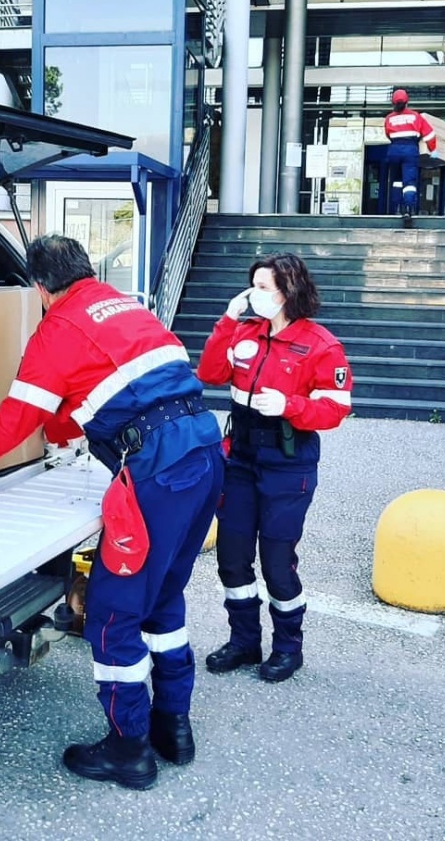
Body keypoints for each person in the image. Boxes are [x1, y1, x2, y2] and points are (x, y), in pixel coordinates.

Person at [0, 234, 223, 791]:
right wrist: (58, 426)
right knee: (164, 596)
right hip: (203, 454)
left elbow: (12, 422)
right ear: (86, 270)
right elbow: (101, 395)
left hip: (158, 472)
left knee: (114, 612)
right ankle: (174, 728)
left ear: (41, 289)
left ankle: (129, 751)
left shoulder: (58, 327)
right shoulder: (126, 307)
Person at [196, 253, 352, 684]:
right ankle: (244, 641)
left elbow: (336, 410)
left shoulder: (321, 345)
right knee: (232, 558)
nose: (254, 296)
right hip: (241, 458)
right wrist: (227, 321)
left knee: (278, 563)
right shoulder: (245, 332)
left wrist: (291, 406)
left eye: (263, 288)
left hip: (288, 463)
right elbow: (209, 372)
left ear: (288, 292)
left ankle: (288, 648)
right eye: (253, 287)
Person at [384, 88, 437, 223]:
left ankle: (396, 208)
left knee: (396, 181)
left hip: (394, 150)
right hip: (410, 150)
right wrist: (433, 149)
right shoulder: (415, 116)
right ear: (407, 102)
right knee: (409, 182)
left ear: (393, 104)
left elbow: (388, 135)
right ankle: (408, 210)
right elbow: (430, 134)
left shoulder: (389, 118)